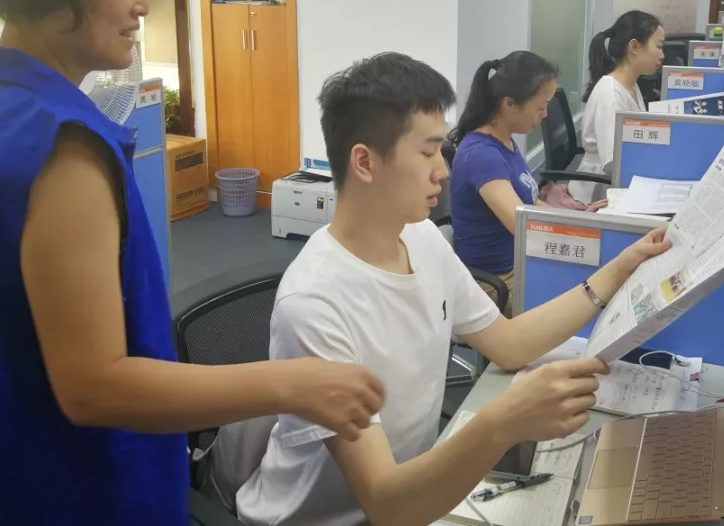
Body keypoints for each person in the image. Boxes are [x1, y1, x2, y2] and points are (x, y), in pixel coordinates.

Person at [0, 0, 384, 526]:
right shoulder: (61, 145)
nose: (143, 4)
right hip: (67, 491)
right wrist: (290, 383)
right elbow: (95, 388)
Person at [235, 52, 669, 526]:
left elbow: (509, 343)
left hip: (415, 491)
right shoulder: (314, 305)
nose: (443, 170)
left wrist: (616, 271)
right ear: (365, 162)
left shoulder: (421, 238)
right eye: (427, 152)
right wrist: (503, 423)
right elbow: (386, 504)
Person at [448, 51, 604, 315]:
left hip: (520, 263)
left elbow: (530, 204)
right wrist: (578, 236)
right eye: (540, 107)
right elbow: (523, 226)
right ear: (509, 103)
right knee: (590, 302)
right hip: (497, 281)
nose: (545, 115)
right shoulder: (482, 155)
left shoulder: (504, 139)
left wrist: (577, 221)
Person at [570, 11, 665, 204]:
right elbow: (612, 163)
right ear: (634, 47)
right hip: (599, 193)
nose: (662, 55)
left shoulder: (631, 84)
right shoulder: (611, 94)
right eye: (658, 46)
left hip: (618, 181)